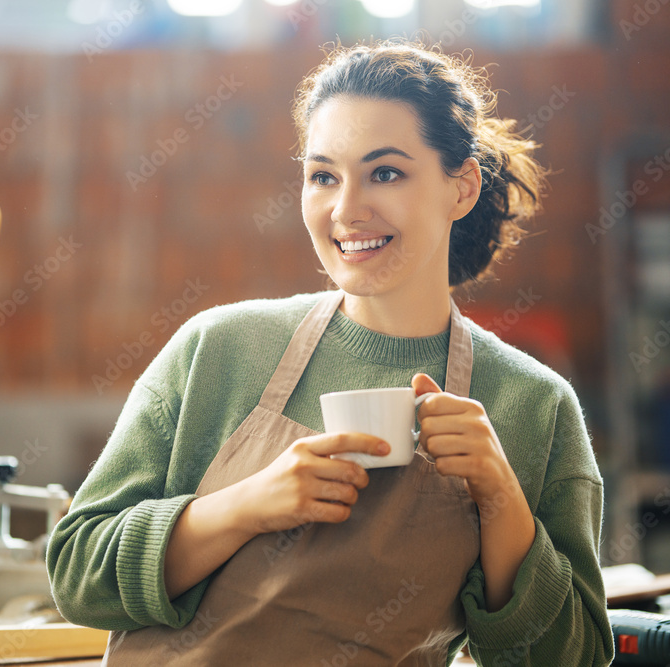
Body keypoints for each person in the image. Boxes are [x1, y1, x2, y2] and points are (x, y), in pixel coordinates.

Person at [47, 40, 615, 666]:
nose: (346, 210)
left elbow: (579, 656)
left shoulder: (533, 406)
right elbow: (77, 576)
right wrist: (247, 506)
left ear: (463, 187)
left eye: (386, 173)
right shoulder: (218, 350)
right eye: (323, 176)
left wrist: (502, 500)